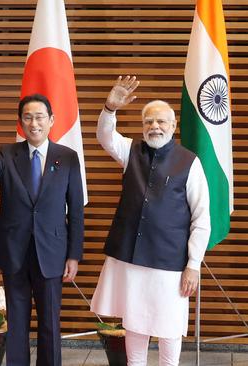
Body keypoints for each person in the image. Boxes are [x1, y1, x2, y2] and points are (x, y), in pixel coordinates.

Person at [90, 76, 211, 366]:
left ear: (173, 126)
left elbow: (201, 218)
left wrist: (193, 265)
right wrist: (110, 108)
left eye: (161, 122)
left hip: (170, 263)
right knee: (135, 328)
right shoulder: (131, 151)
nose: (154, 127)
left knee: (169, 331)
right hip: (132, 260)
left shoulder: (189, 161)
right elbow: (105, 137)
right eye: (148, 122)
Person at [0, 94, 84, 366]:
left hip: (52, 252)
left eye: (40, 117)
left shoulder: (67, 157)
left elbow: (76, 209)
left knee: (50, 324)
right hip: (14, 252)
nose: (34, 123)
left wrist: (74, 255)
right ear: (21, 122)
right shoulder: (7, 154)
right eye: (28, 117)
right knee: (17, 323)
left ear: (51, 120)